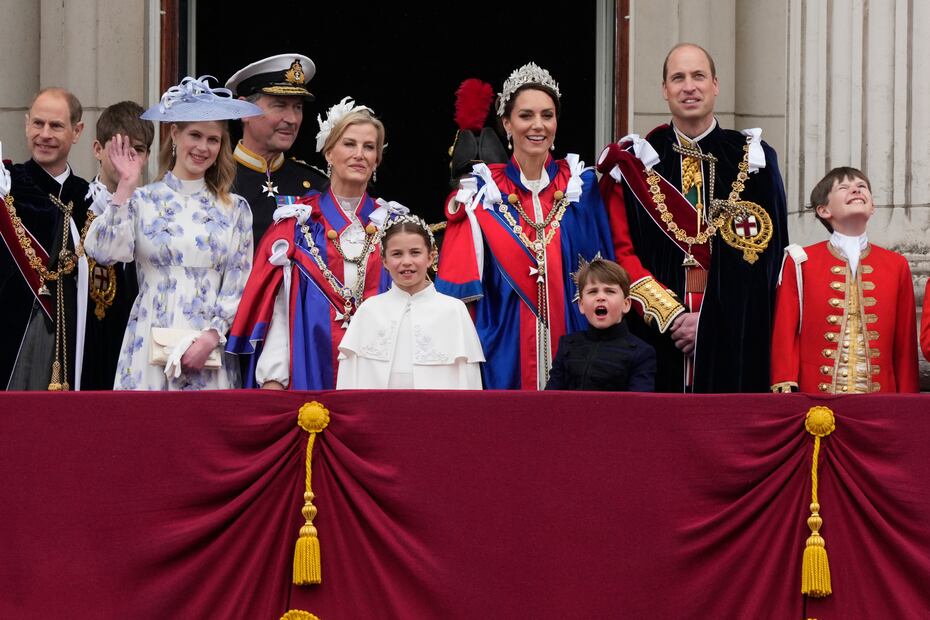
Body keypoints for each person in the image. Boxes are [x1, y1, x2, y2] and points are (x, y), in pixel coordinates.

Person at [597, 43, 788, 393]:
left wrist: (710, 324)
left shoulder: (756, 160)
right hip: (656, 339)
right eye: (678, 78)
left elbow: (768, 261)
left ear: (715, 84)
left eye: (698, 76)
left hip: (734, 339)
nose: (689, 86)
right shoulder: (635, 163)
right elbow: (620, 255)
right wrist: (672, 316)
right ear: (664, 89)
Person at [436, 62, 615, 390]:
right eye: (526, 115)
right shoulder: (481, 191)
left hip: (575, 347)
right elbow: (456, 297)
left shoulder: (581, 186)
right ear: (506, 123)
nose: (538, 125)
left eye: (547, 115)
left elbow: (605, 277)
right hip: (502, 353)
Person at [84, 76, 259, 390]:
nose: (203, 147)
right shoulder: (142, 200)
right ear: (175, 135)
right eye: (195, 135)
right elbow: (102, 251)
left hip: (208, 348)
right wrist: (125, 186)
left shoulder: (235, 209)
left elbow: (239, 281)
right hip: (148, 342)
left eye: (213, 139)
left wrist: (212, 335)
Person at [227, 98, 392, 390]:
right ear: (329, 152)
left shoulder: (392, 225)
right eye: (349, 144)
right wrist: (274, 378)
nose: (359, 155)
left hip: (380, 373)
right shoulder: (298, 223)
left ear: (378, 159)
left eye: (369, 147)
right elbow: (279, 310)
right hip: (311, 366)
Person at [770, 167, 919, 393]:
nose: (856, 190)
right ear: (823, 210)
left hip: (881, 401)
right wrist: (784, 382)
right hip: (816, 399)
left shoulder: (896, 264)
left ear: (872, 207)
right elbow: (785, 330)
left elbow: (905, 344)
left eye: (862, 187)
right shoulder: (800, 261)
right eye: (844, 187)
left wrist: (907, 400)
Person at [1, 87, 90, 390]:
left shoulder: (90, 198)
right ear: (26, 124)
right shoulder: (7, 188)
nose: (44, 134)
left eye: (56, 125)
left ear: (77, 131)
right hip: (12, 346)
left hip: (78, 346)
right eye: (38, 124)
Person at [336, 213, 484, 389]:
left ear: (431, 257)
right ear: (384, 261)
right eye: (397, 254)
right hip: (378, 414)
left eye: (415, 253)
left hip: (438, 414)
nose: (406, 262)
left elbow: (469, 381)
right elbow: (349, 381)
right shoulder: (368, 311)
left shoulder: (454, 310)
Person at [81, 101, 155, 390]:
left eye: (136, 150)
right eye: (118, 149)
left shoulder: (155, 210)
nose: (127, 159)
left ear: (147, 156)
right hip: (86, 340)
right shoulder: (75, 203)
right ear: (98, 149)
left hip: (137, 338)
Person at [226, 53, 327, 246]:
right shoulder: (214, 178)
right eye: (280, 106)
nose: (292, 119)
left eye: (298, 108)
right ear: (244, 110)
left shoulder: (316, 185)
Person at [546, 257, 655, 391]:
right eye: (593, 292)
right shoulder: (568, 345)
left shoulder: (641, 352)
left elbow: (639, 406)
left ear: (626, 304)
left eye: (610, 291)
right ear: (581, 305)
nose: (600, 297)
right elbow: (550, 399)